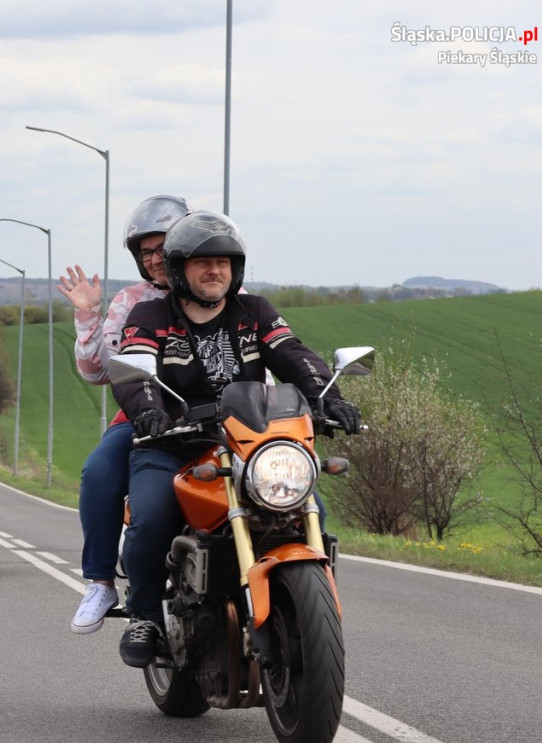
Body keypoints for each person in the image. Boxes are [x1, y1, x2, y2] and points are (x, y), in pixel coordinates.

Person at [110, 210, 362, 668]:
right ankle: (144, 615)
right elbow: (134, 368)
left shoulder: (255, 311)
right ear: (178, 269)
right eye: (203, 262)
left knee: (310, 510)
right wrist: (147, 410)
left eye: (224, 261)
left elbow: (293, 354)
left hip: (249, 444)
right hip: (172, 445)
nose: (215, 270)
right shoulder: (150, 315)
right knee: (149, 516)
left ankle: (314, 607)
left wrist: (330, 398)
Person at [57, 194, 191, 634]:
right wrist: (86, 315)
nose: (154, 259)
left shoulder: (227, 292)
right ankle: (99, 581)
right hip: (144, 418)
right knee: (99, 471)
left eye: (163, 247)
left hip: (222, 421)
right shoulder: (132, 301)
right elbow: (98, 370)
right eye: (145, 252)